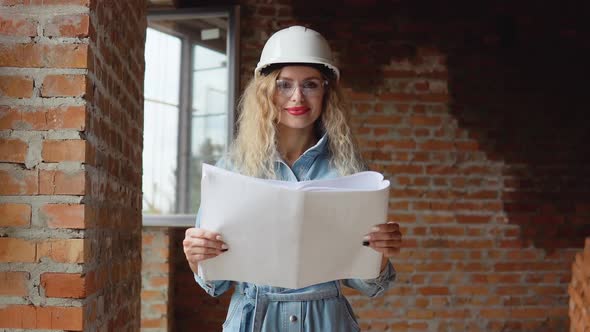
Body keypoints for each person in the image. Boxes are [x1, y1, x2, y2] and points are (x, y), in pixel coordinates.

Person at [183, 25, 402, 332]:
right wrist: (197, 257)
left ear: (326, 91)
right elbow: (215, 283)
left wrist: (379, 251)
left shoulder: (351, 171)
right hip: (253, 321)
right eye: (284, 85)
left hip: (326, 322)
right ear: (266, 91)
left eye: (310, 84)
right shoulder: (233, 167)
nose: (297, 96)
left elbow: (366, 283)